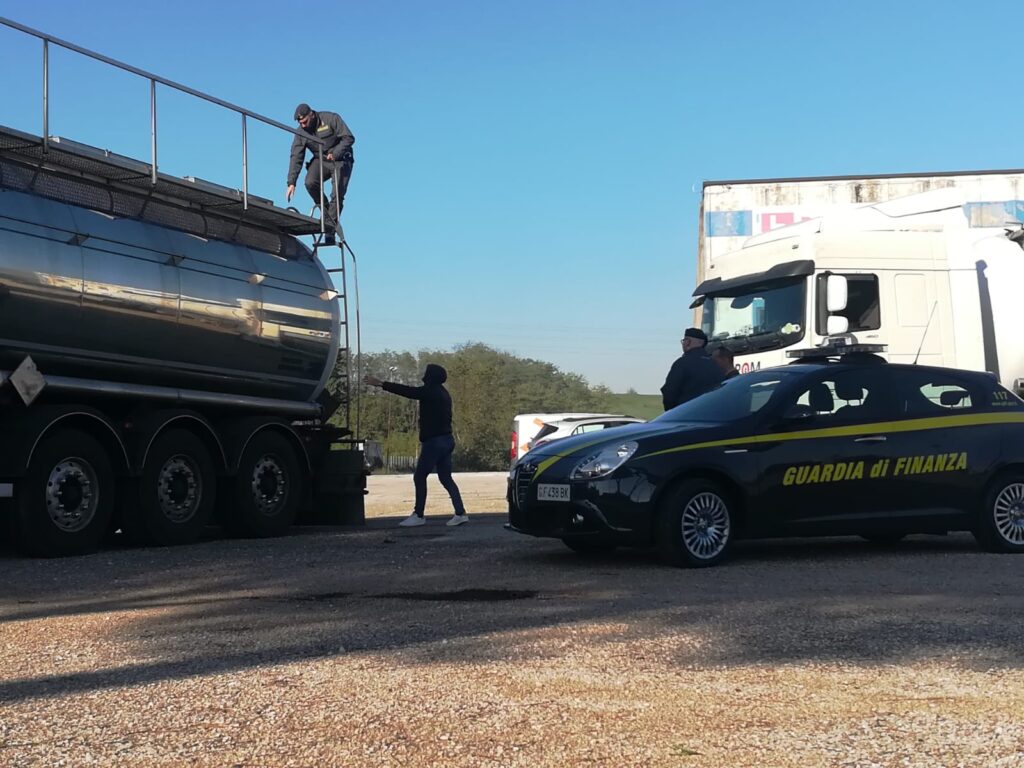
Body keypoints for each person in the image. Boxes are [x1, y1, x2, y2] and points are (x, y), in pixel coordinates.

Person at [363, 364, 468, 528]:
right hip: (447, 440)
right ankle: (460, 513)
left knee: (419, 477)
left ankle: (418, 515)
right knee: (446, 478)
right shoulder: (444, 393)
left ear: (430, 376)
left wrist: (381, 383)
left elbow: (408, 391)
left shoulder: (430, 391)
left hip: (434, 442)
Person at [286, 103, 355, 246]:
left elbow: (349, 138)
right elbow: (296, 156)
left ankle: (330, 227)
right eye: (300, 123)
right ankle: (327, 212)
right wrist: (291, 182)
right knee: (310, 182)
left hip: (341, 159)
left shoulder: (330, 118)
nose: (303, 125)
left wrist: (335, 153)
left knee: (337, 193)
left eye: (304, 122)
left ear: (311, 114)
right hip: (321, 160)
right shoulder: (301, 132)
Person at [660, 327, 723, 410]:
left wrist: (672, 412)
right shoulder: (715, 365)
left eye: (684, 340)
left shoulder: (682, 363)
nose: (683, 343)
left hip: (685, 415)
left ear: (688, 343)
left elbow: (669, 392)